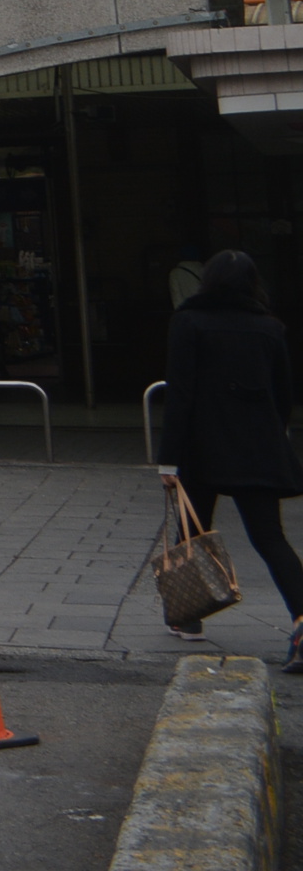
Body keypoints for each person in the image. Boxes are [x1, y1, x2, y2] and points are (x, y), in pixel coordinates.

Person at [163, 249, 303, 669]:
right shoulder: (269, 328)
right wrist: (269, 434)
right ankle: (301, 617)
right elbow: (283, 396)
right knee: (270, 538)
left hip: (202, 447)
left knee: (192, 530)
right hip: (257, 448)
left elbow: (180, 393)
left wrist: (168, 459)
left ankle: (188, 618)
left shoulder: (189, 322)